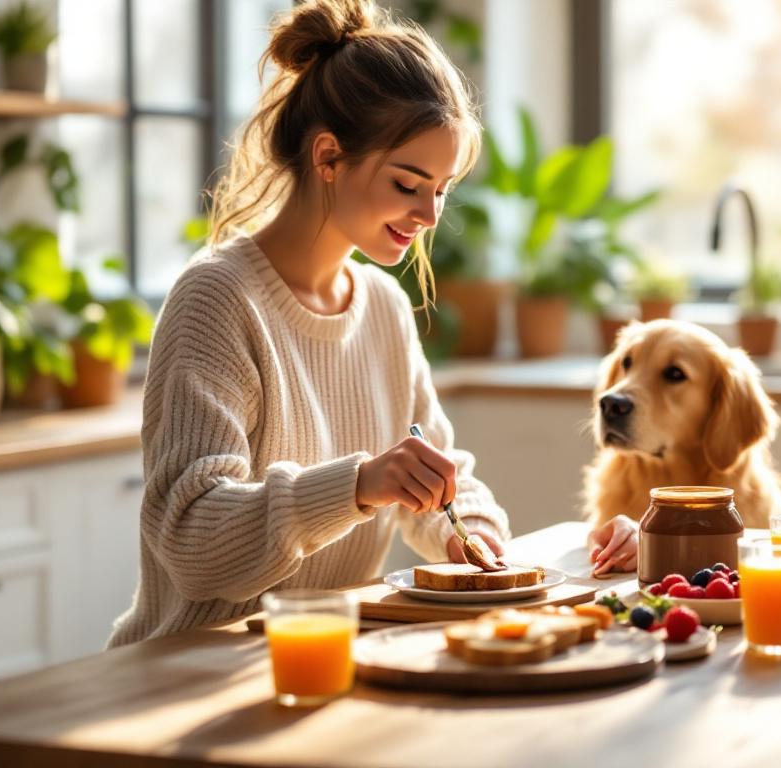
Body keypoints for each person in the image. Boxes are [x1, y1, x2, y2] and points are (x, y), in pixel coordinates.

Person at [109, 0, 510, 647]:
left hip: (319, 658)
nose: (430, 215)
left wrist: (470, 529)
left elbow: (437, 477)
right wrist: (357, 485)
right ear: (328, 157)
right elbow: (193, 543)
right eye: (409, 184)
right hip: (187, 674)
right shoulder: (217, 298)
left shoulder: (382, 305)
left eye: (441, 188)